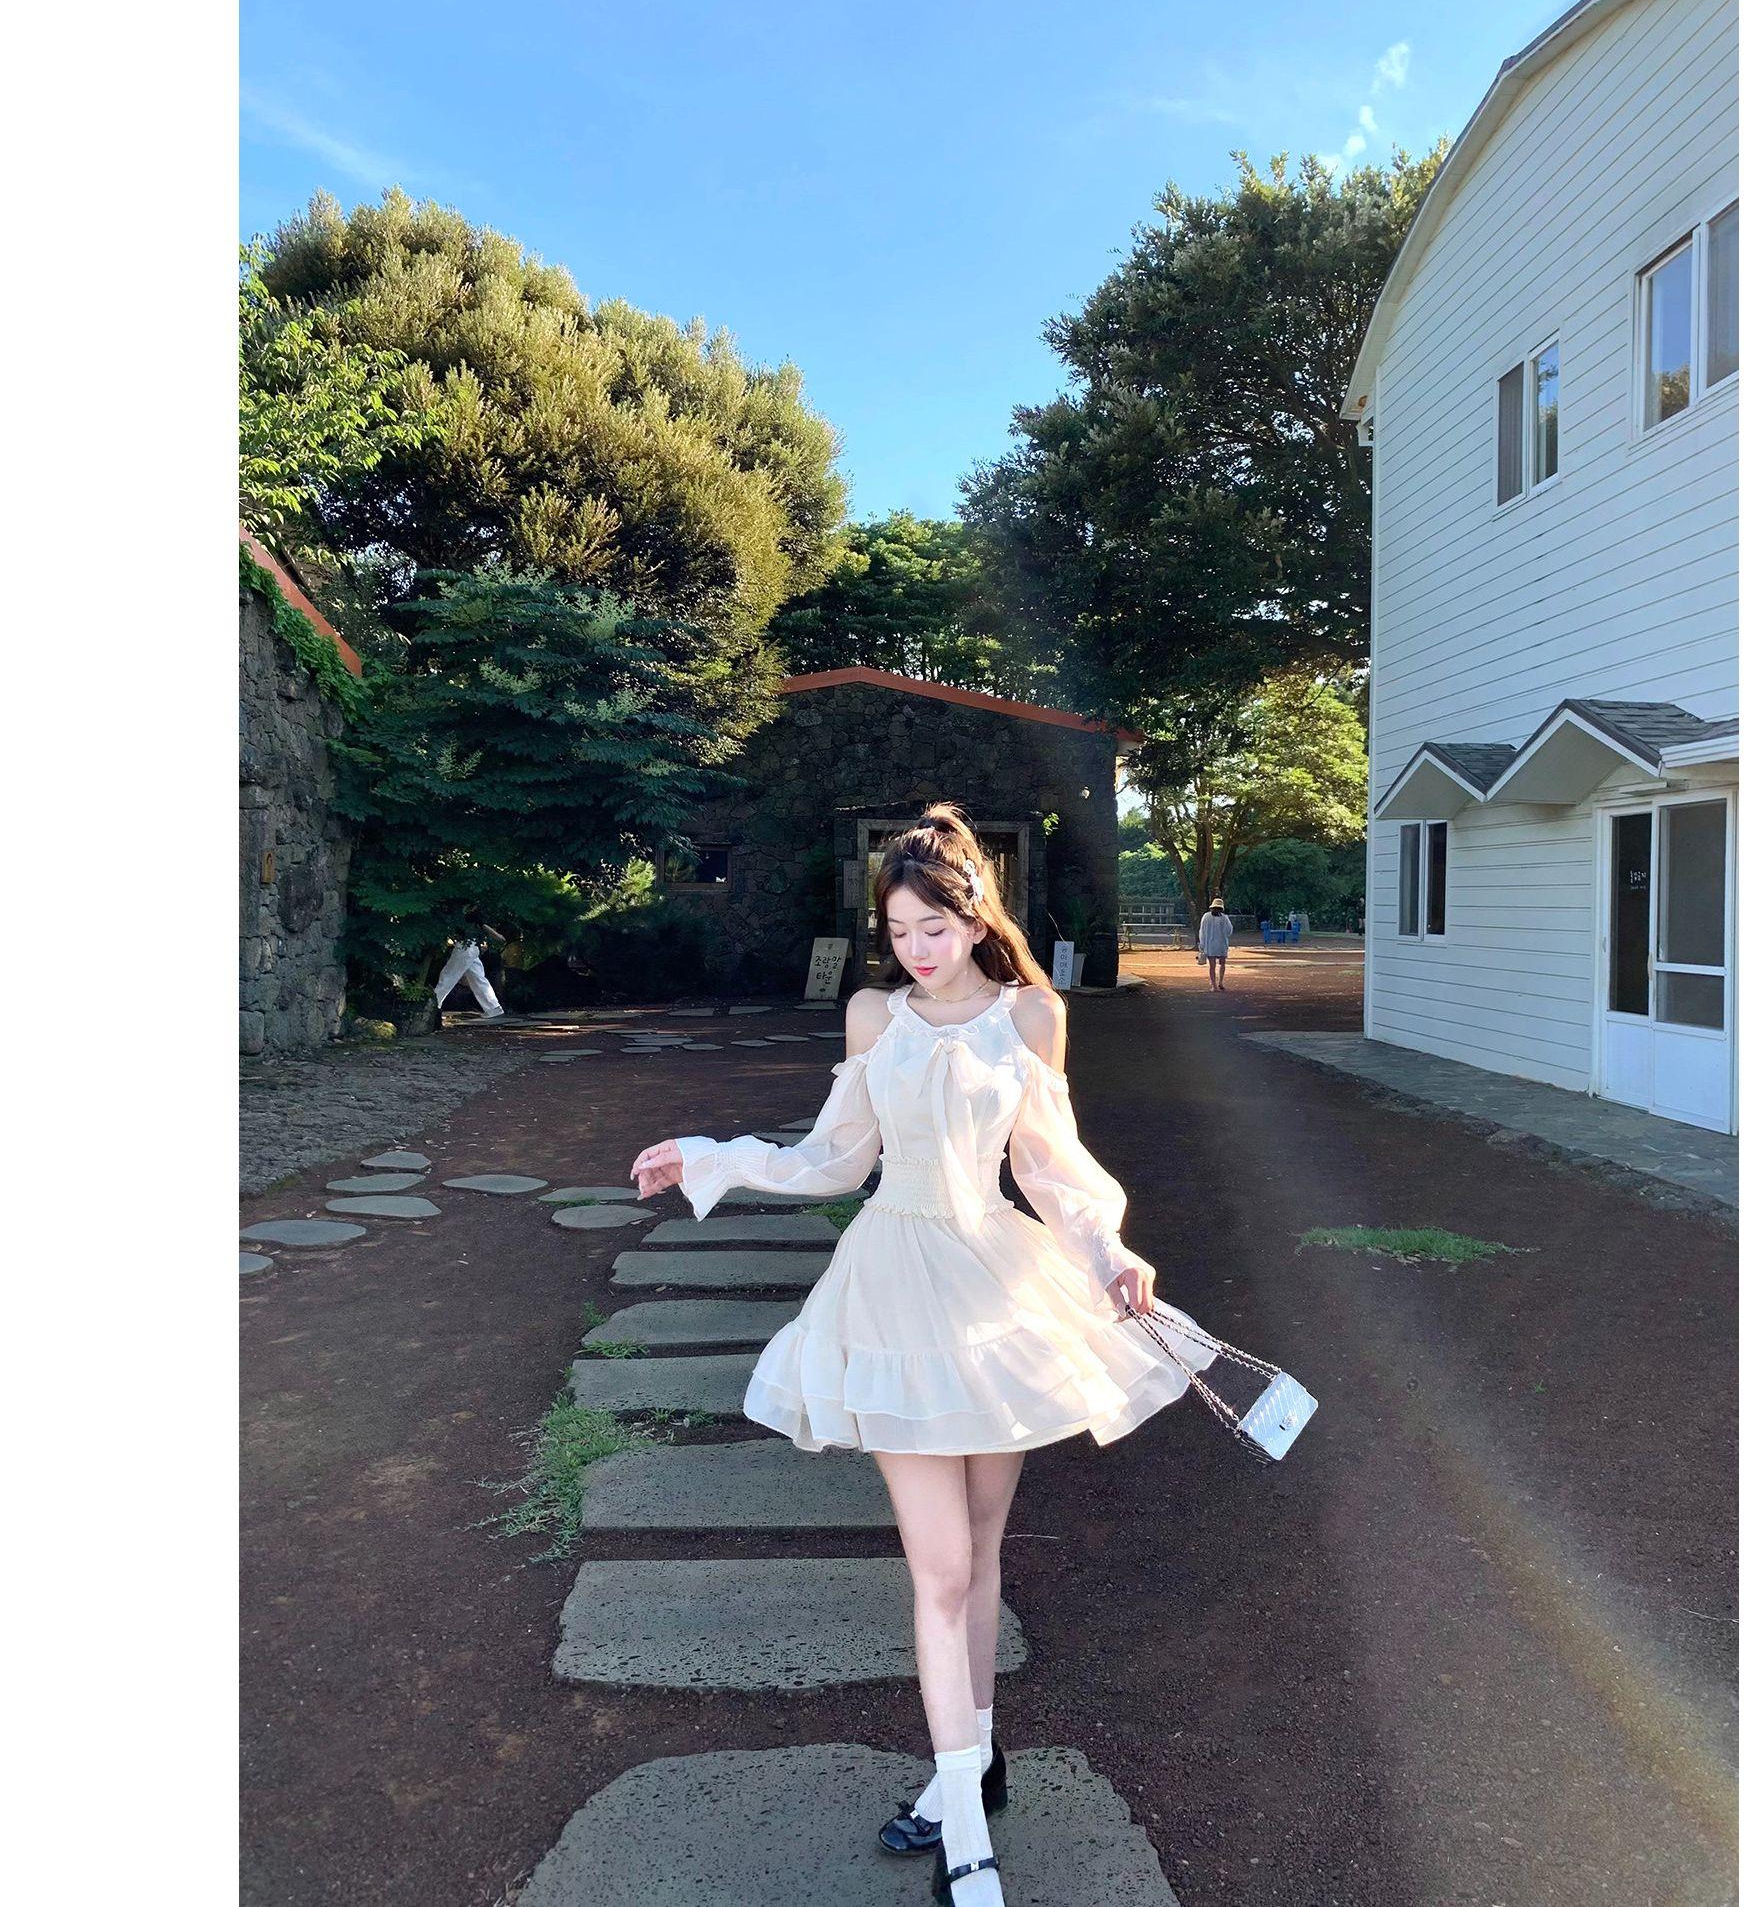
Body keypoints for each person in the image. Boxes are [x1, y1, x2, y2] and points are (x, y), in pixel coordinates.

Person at [630, 803, 1221, 1905]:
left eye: (933, 928)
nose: (914, 948)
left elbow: (1048, 1168)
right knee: (940, 1569)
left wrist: (1110, 1251)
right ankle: (968, 1836)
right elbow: (831, 1159)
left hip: (995, 1289)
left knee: (983, 1552)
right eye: (898, 931)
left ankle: (969, 1774)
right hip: (893, 1290)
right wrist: (716, 1155)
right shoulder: (873, 1015)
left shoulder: (1032, 1015)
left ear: (976, 917)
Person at [432, 925, 505, 1020]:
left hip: (464, 946)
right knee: (477, 978)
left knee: (448, 976)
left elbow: (482, 924)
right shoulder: (469, 919)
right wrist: (497, 935)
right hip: (472, 946)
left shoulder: (464, 917)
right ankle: (493, 1008)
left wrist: (497, 935)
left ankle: (433, 1005)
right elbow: (482, 924)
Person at [1195, 896, 1233, 990]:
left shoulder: (1206, 916)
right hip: (1222, 944)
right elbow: (1229, 931)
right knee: (1222, 964)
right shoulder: (1224, 918)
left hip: (1210, 945)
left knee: (1212, 966)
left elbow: (1202, 931)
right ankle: (1220, 982)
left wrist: (1202, 944)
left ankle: (1214, 985)